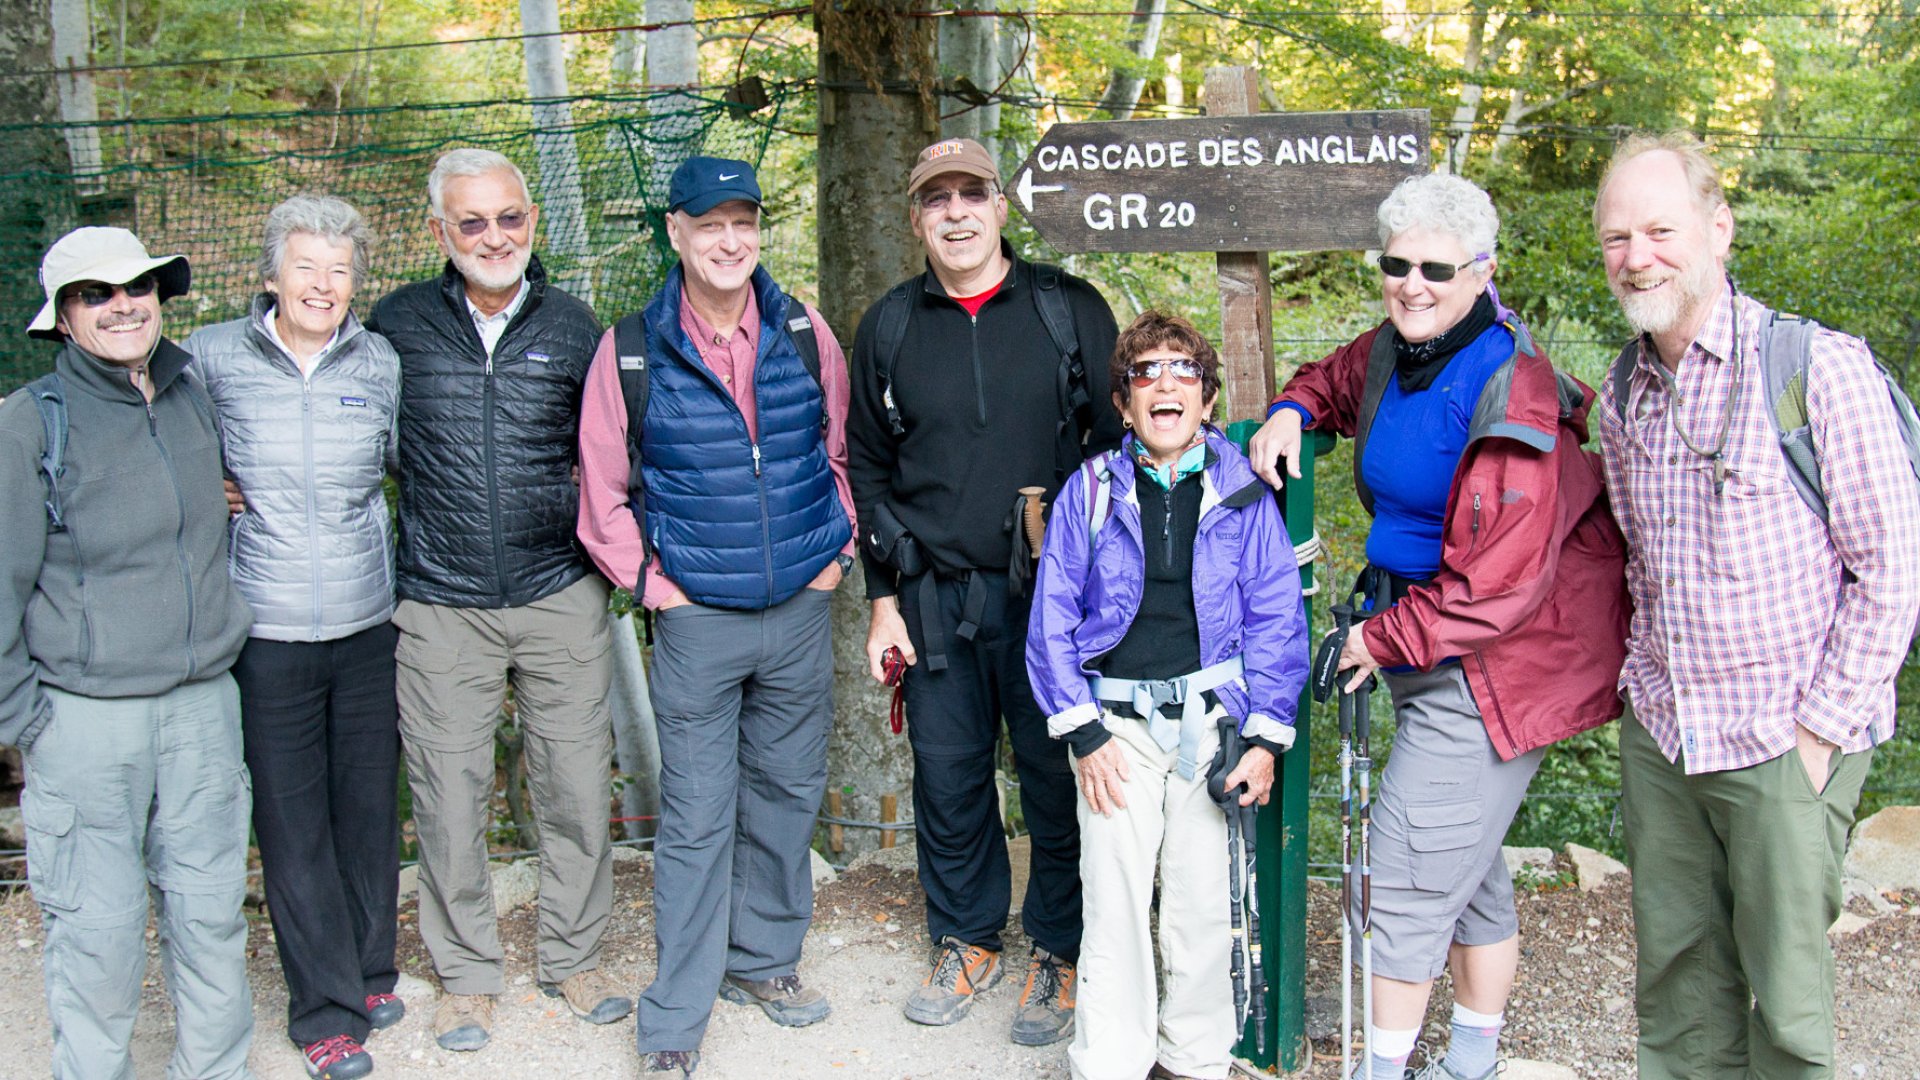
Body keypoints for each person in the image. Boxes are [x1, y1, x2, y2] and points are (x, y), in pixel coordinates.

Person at [1246, 173, 1630, 1080]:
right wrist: (1290, 412)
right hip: (1431, 640)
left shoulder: (1513, 389)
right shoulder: (1394, 350)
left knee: (1408, 877)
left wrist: (1374, 642)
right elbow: (1334, 379)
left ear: (1482, 272)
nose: (1411, 283)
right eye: (1395, 264)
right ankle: (1470, 1064)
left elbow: (1496, 587)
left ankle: (1384, 1071)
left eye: (1435, 269)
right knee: (1468, 867)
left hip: (1497, 663)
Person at [1591, 133, 1920, 1080]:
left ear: (1718, 229)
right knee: (1680, 995)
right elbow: (1643, 568)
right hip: (1667, 731)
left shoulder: (1817, 370)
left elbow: (1892, 571)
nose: (1637, 255)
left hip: (1785, 734)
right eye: (1617, 237)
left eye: (1660, 229)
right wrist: (1640, 699)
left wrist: (1816, 735)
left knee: (1787, 1005)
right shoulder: (1624, 393)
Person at [577, 156, 855, 1078]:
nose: (729, 240)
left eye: (744, 221)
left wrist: (832, 561)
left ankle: (765, 963)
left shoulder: (806, 332)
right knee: (697, 817)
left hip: (799, 611)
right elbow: (602, 496)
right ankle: (674, 1018)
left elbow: (841, 457)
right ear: (676, 234)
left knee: (784, 799)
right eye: (710, 224)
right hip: (697, 622)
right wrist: (658, 588)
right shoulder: (629, 352)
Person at [848, 136, 1123, 1046]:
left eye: (973, 194)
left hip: (1055, 600)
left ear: (1002, 206)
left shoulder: (1066, 308)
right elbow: (871, 469)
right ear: (917, 217)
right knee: (951, 777)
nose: (956, 212)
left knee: (1056, 775)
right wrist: (883, 598)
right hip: (935, 594)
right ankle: (966, 936)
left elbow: (1119, 446)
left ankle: (1061, 945)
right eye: (937, 199)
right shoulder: (888, 327)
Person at [367, 147, 629, 1053]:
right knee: (447, 795)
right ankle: (469, 976)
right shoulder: (395, 325)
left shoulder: (573, 325)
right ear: (440, 232)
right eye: (471, 222)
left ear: (532, 222)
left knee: (576, 787)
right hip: (440, 600)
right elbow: (354, 435)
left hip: (560, 589)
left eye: (508, 218)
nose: (493, 236)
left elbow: (610, 452)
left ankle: (574, 956)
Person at [1, 227, 257, 1079]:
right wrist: (25, 719)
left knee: (211, 913)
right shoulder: (29, 424)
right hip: (84, 721)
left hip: (201, 707)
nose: (122, 306)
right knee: (97, 931)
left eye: (138, 287)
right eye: (95, 294)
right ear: (63, 319)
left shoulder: (190, 397)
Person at [1027, 311, 1306, 1080]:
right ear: (1123, 404)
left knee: (1201, 907)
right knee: (1113, 904)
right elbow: (1051, 617)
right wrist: (1083, 733)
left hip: (1212, 725)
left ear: (1208, 398)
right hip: (1116, 727)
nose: (1163, 385)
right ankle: (1112, 1063)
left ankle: (1193, 1062)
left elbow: (1277, 617)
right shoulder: (1090, 491)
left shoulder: (1244, 495)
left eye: (1182, 371)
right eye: (1143, 373)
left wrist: (1264, 736)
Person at [186, 195, 404, 1080]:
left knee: (368, 811)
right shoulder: (209, 359)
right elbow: (169, 454)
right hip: (265, 629)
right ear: (270, 275)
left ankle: (370, 967)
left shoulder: (380, 361)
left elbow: (404, 466)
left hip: (365, 622)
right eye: (306, 266)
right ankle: (322, 1011)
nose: (323, 284)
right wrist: (213, 490)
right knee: (291, 821)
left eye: (340, 269)